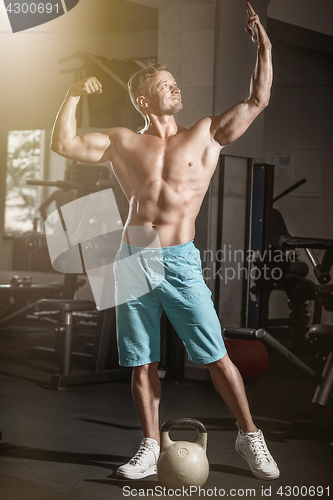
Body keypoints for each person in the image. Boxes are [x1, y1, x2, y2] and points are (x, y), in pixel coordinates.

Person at [51, 3, 279, 481]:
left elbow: (257, 99)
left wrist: (264, 47)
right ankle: (150, 446)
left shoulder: (206, 134)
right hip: (132, 258)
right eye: (164, 83)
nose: (176, 87)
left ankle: (249, 436)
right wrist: (72, 94)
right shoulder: (120, 141)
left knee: (216, 357)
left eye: (177, 82)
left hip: (179, 261)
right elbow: (64, 144)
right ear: (143, 100)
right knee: (141, 361)